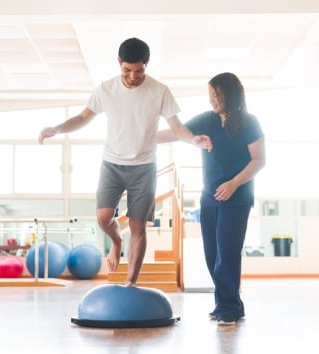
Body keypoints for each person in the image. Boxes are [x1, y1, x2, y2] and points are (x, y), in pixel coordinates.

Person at [39, 37, 212, 286]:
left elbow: (177, 127)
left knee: (138, 225)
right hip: (112, 164)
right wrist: (57, 128)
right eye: (127, 70)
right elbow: (82, 118)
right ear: (119, 63)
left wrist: (194, 141)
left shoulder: (159, 91)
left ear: (147, 64)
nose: (133, 76)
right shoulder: (106, 89)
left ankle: (131, 282)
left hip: (144, 166)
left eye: (139, 70)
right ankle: (117, 241)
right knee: (103, 218)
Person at [157, 72, 265, 325]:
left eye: (216, 95)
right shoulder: (207, 120)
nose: (212, 100)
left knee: (227, 254)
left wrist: (234, 183)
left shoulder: (250, 122)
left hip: (237, 197)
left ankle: (228, 307)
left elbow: (259, 160)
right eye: (210, 95)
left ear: (231, 94)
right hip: (209, 196)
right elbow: (176, 133)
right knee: (211, 254)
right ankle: (229, 304)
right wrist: (138, 137)